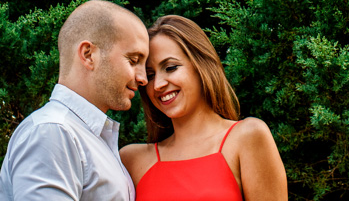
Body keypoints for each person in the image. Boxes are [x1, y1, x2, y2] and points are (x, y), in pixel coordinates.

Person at [120, 15, 287, 201]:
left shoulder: (247, 137)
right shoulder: (131, 160)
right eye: (150, 75)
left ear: (201, 66)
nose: (157, 84)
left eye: (171, 67)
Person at [0, 0, 150, 201]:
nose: (143, 78)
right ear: (88, 55)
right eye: (133, 60)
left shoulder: (85, 136)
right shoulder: (53, 132)